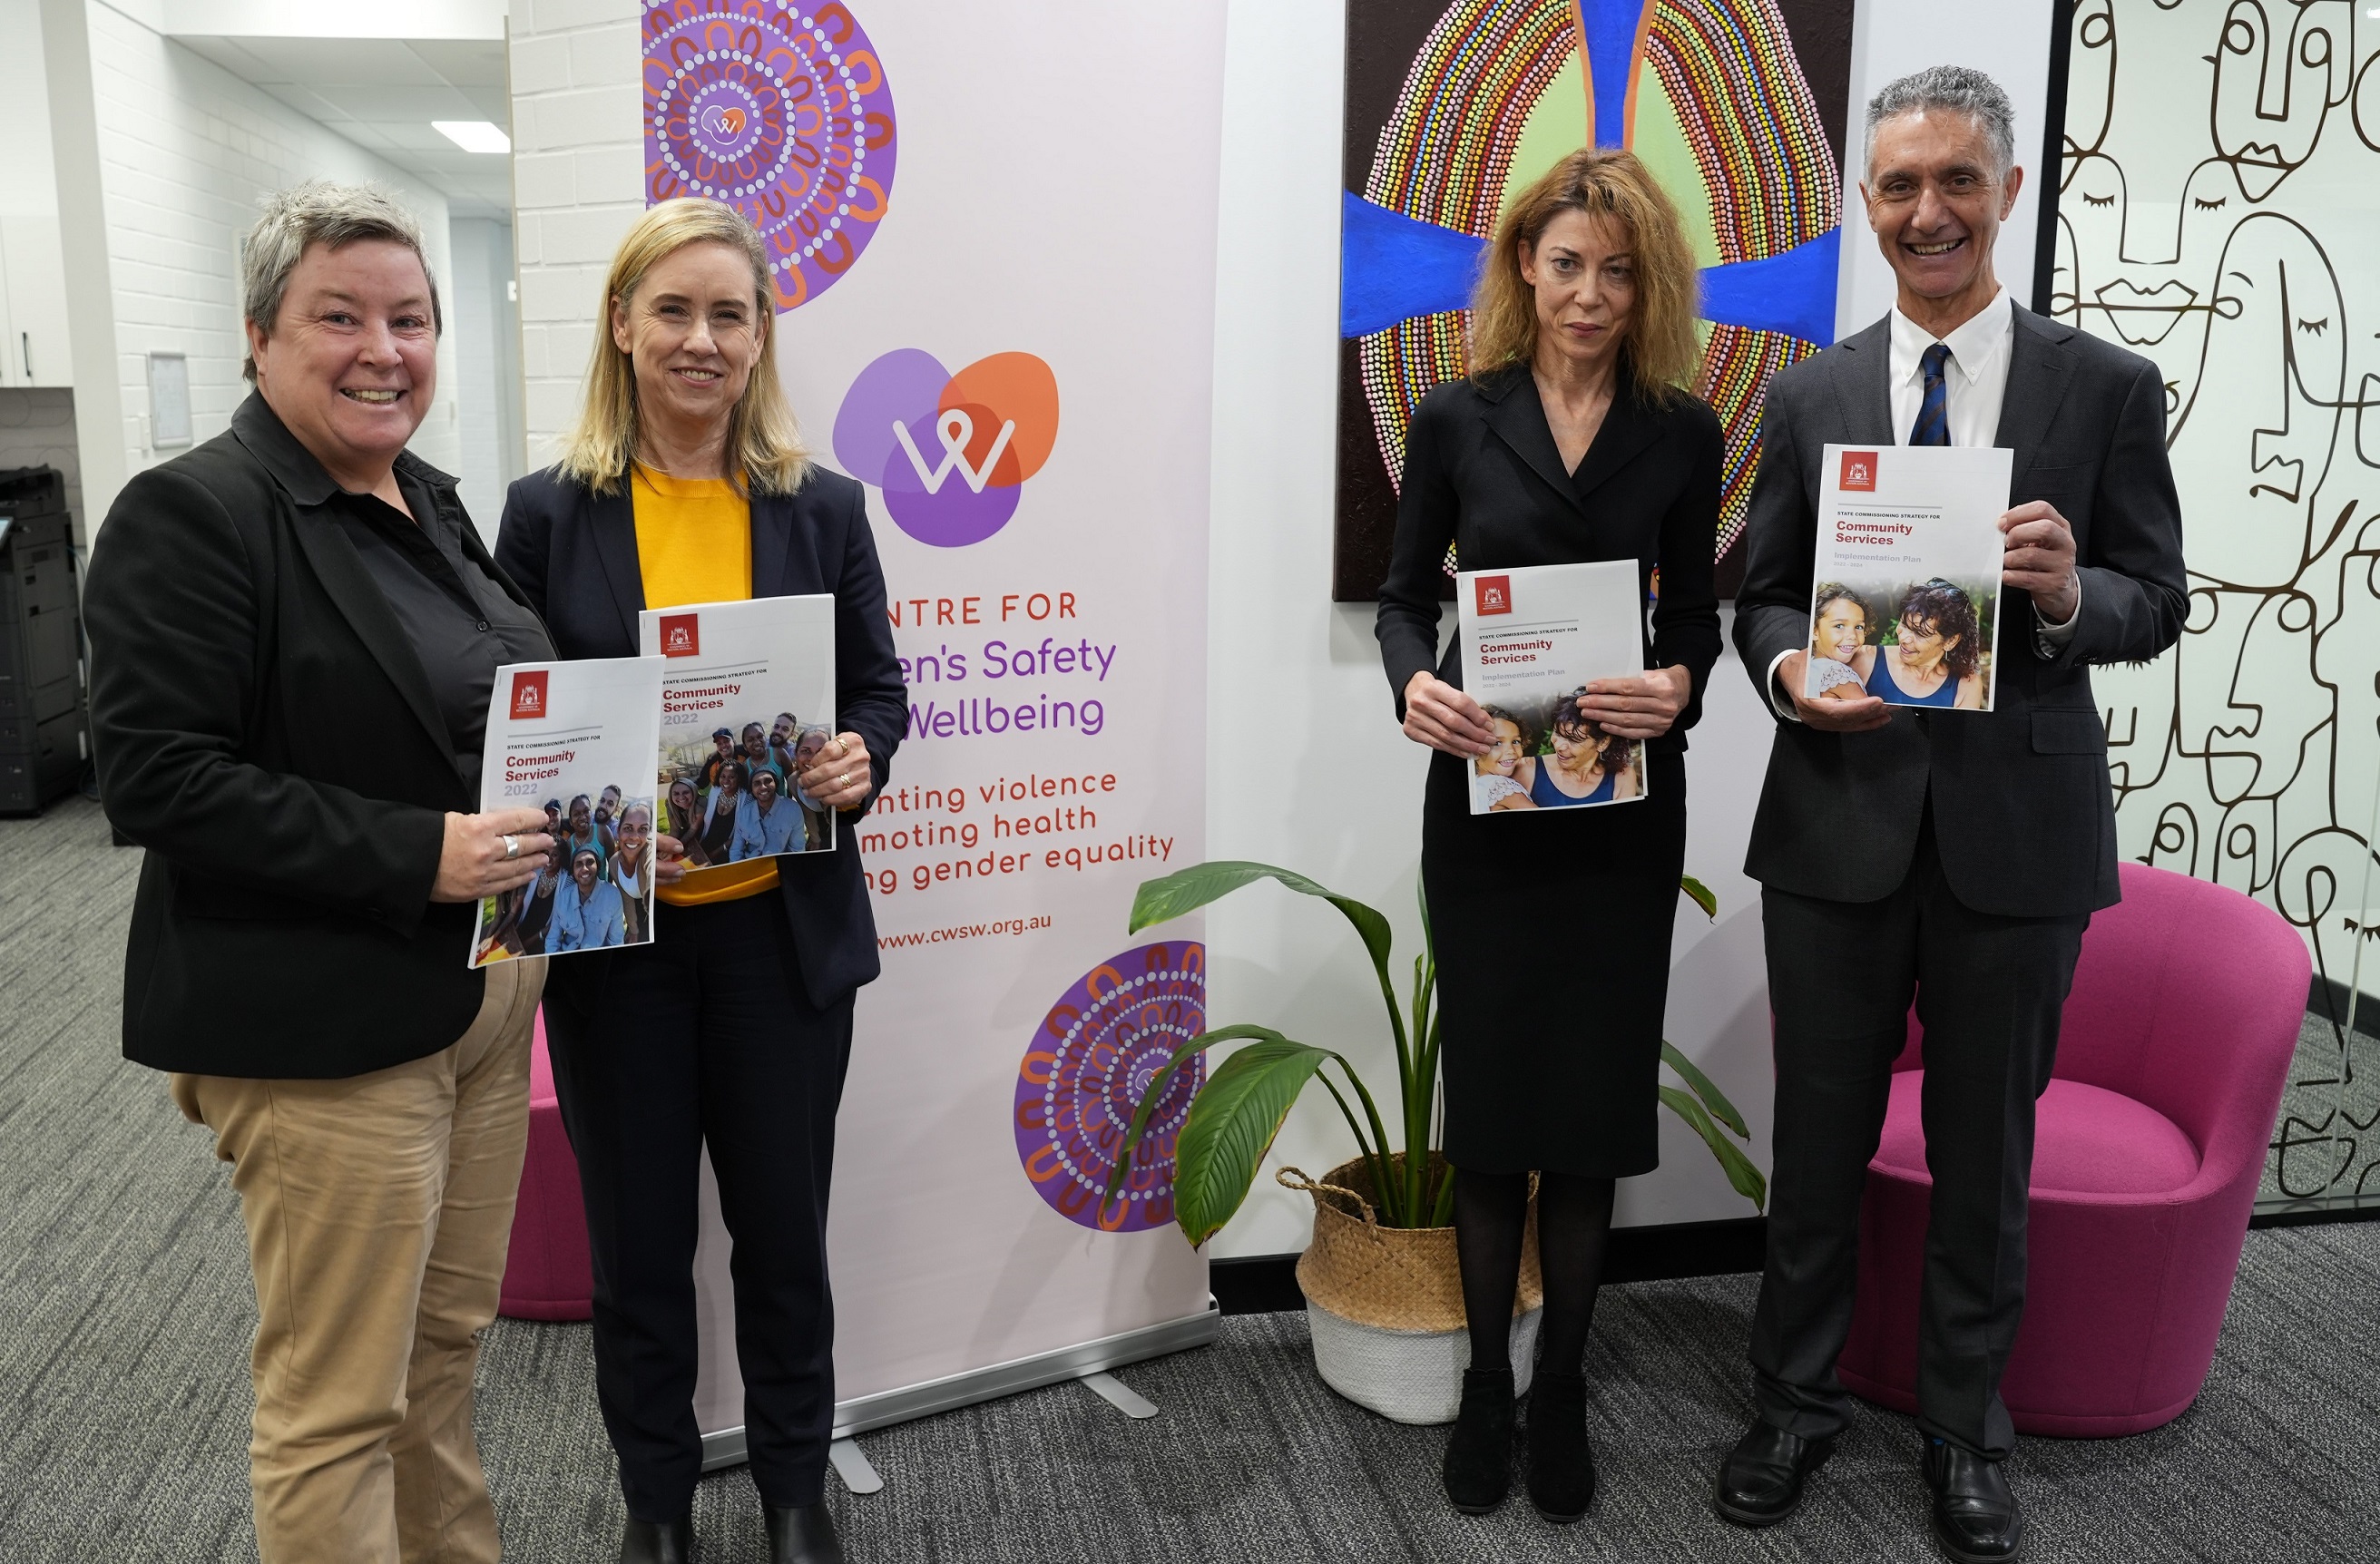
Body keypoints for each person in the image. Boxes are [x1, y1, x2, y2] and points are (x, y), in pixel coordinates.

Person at [1719, 67, 2186, 1563]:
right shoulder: (1807, 394)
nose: (1926, 211)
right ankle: (1788, 1404)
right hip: (1835, 819)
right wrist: (1790, 665)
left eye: (1954, 183)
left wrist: (2063, 596)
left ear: (2003, 191)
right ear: (1868, 205)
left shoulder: (2099, 387)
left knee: (1988, 1150)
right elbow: (1760, 588)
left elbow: (2151, 597)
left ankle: (1960, 1430)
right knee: (1814, 1143)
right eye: (1898, 186)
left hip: (2015, 836)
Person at [82, 182, 556, 1564]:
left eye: (408, 320)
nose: (382, 349)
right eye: (338, 316)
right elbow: (160, 779)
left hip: (478, 992)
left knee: (444, 1355)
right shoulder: (197, 514)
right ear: (258, 336)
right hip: (322, 1028)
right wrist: (426, 854)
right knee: (339, 1402)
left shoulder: (428, 498)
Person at [495, 196, 906, 1564]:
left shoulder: (823, 508)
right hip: (622, 949)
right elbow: (507, 721)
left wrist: (861, 759)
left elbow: (877, 692)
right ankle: (655, 1507)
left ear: (759, 337)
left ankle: (794, 1494)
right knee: (640, 1254)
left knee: (784, 1244)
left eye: (727, 313)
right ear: (620, 327)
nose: (699, 338)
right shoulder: (547, 515)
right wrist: (593, 819)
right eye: (670, 309)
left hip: (779, 950)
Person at [1374, 147, 1723, 1524]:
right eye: (1566, 262)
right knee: (1495, 1117)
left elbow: (1691, 617)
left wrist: (1677, 683)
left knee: (1583, 1121)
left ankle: (1562, 1384)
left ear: (1649, 286)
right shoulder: (1455, 419)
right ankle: (1482, 1385)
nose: (1588, 293)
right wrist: (1411, 679)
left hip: (1620, 815)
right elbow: (1408, 598)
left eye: (1617, 270)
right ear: (1525, 265)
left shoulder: (1682, 432)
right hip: (1487, 816)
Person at [1865, 579, 1986, 709]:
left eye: (1920, 633)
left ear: (1951, 641)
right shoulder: (1866, 658)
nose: (1904, 639)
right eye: (1904, 624)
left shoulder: (1966, 685)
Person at [1528, 697, 1642, 806]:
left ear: (1603, 743)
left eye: (1573, 740)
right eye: (1557, 733)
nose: (1559, 747)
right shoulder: (1527, 769)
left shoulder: (1622, 777)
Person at [1804, 585, 1875, 702]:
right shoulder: (1838, 674)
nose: (1852, 635)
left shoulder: (1809, 665)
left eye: (1858, 627)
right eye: (1839, 626)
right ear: (1814, 631)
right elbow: (1869, 712)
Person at [551, 846, 627, 952]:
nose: (585, 869)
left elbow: (616, 942)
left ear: (598, 866)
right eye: (579, 864)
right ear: (573, 870)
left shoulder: (612, 896)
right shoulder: (563, 898)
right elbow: (552, 940)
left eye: (590, 862)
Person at [1470, 706, 1538, 811]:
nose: (1510, 750)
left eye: (1515, 742)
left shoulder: (1476, 783)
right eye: (1497, 743)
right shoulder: (1502, 787)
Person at [732, 767, 807, 861]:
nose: (763, 786)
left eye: (768, 781)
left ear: (776, 783)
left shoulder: (793, 810)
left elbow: (797, 850)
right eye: (757, 783)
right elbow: (736, 850)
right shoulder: (744, 814)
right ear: (752, 789)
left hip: (780, 866)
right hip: (752, 865)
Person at [612, 801, 657, 943]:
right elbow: (627, 898)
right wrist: (633, 931)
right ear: (618, 830)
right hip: (636, 916)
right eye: (628, 828)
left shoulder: (650, 852)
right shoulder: (614, 864)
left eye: (643, 829)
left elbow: (651, 868)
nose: (634, 837)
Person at [665, 777, 712, 868]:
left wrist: (674, 849)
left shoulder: (700, 802)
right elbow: (675, 830)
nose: (681, 797)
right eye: (676, 793)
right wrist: (667, 848)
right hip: (687, 839)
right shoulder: (670, 805)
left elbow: (693, 830)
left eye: (685, 792)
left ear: (693, 792)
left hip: (703, 838)